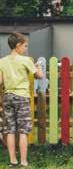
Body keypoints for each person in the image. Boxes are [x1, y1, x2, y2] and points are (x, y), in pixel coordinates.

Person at [0, 32, 44, 167]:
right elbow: (39, 76)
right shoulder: (26, 60)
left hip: (7, 97)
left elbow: (0, 81)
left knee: (10, 130)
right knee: (23, 131)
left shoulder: (2, 61)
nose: (26, 49)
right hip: (22, 97)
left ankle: (13, 160)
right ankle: (24, 161)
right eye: (25, 46)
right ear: (18, 45)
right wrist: (38, 67)